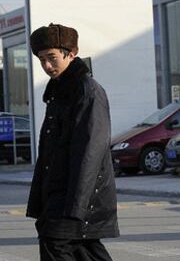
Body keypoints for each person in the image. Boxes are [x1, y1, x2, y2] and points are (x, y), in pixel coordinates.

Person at [27, 23, 119, 261]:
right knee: (84, 251)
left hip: (78, 196)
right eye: (41, 60)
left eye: (52, 58)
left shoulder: (87, 92)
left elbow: (90, 152)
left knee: (56, 243)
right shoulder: (59, 92)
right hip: (59, 193)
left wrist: (77, 207)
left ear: (71, 53)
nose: (47, 66)